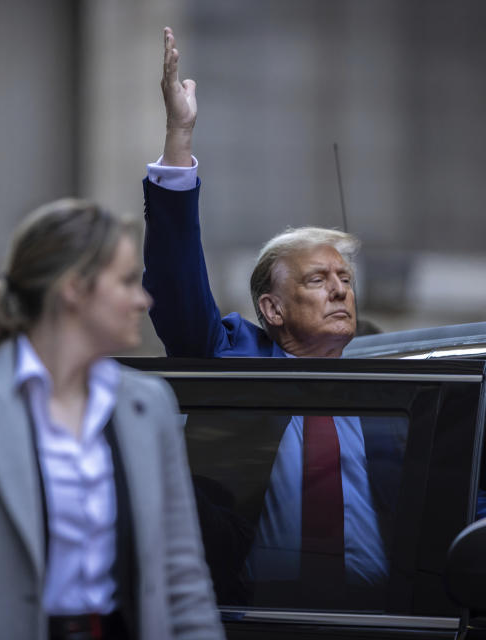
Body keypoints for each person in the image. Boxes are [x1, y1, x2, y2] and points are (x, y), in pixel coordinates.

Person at [0, 199, 223, 640]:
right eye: (126, 281)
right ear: (73, 290)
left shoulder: (149, 405)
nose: (143, 299)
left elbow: (184, 582)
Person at [141, 27, 402, 603]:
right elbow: (174, 281)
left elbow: (452, 493)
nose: (339, 291)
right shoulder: (233, 356)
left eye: (345, 280)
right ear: (272, 309)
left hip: (388, 619)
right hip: (256, 615)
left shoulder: (396, 387)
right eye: (317, 280)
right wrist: (179, 136)